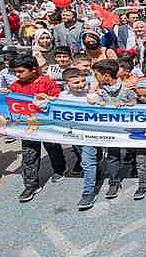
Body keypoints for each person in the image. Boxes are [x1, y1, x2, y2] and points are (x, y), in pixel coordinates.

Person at [8, 54, 67, 202]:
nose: (17, 75)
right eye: (15, 72)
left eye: (21, 71)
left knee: (53, 148)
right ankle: (31, 185)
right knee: (29, 155)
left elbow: (57, 99)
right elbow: (10, 102)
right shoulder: (15, 86)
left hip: (47, 126)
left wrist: (51, 99)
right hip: (28, 128)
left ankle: (59, 169)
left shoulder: (47, 82)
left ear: (33, 70)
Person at [90, 59, 136, 199]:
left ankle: (135, 167)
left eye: (96, 74)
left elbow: (135, 102)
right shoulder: (100, 91)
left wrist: (127, 104)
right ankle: (114, 182)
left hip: (128, 131)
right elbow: (92, 102)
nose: (95, 78)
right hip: (110, 132)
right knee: (112, 155)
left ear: (105, 76)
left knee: (133, 151)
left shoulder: (126, 89)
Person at [57, 68, 98, 210]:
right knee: (86, 158)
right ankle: (95, 170)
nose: (81, 84)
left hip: (89, 135)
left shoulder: (92, 95)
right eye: (76, 82)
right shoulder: (61, 97)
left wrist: (98, 101)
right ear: (66, 84)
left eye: (82, 81)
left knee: (87, 162)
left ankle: (88, 193)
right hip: (73, 135)